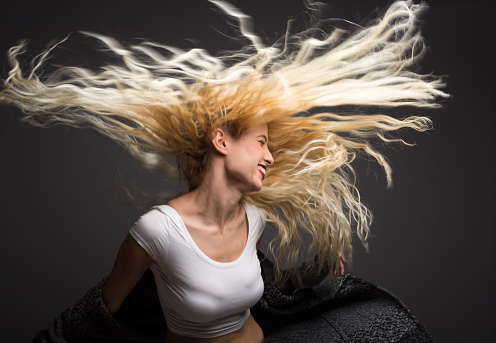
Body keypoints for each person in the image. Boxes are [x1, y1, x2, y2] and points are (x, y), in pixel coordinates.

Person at [0, 1, 447, 342]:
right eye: (260, 142)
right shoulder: (157, 231)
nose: (270, 156)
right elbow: (106, 306)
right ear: (221, 141)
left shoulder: (254, 219)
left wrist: (318, 278)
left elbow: (270, 292)